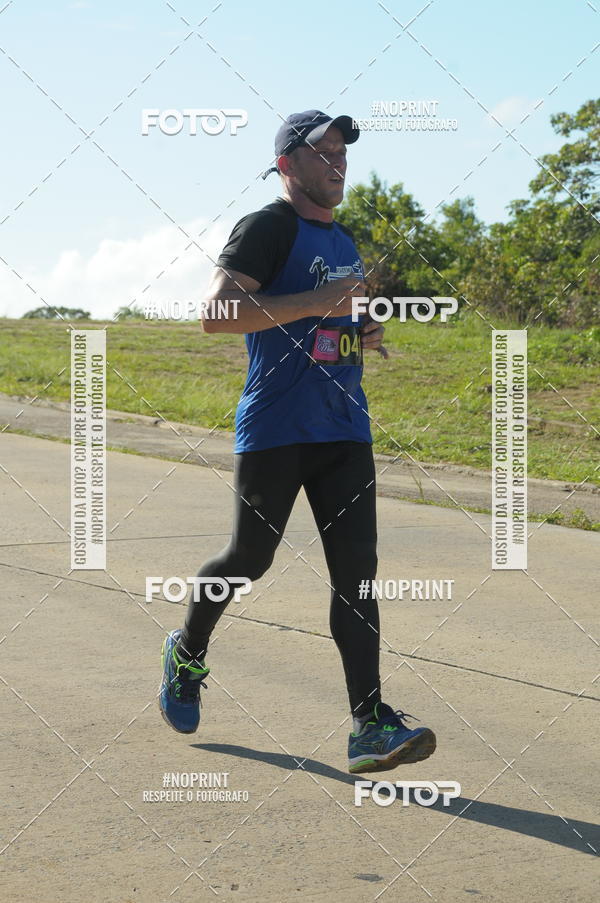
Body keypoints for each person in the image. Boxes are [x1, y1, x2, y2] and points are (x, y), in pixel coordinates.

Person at [159, 110, 436, 773]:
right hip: (278, 431)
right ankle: (186, 650)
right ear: (288, 165)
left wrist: (360, 333)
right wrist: (320, 301)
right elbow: (218, 314)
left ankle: (369, 724)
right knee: (250, 560)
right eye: (324, 152)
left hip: (345, 427)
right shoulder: (266, 228)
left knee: (358, 579)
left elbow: (328, 324)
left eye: (343, 151)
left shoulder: (345, 240)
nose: (338, 161)